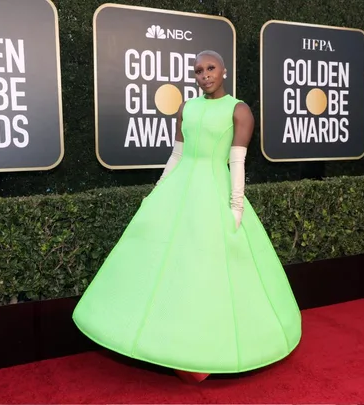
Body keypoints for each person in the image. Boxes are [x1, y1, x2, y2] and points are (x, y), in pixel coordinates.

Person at [72, 50, 301, 384]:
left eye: (210, 68)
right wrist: (158, 190)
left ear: (223, 71)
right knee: (166, 264)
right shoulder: (187, 107)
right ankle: (163, 340)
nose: (204, 74)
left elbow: (237, 160)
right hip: (179, 189)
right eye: (198, 70)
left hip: (213, 188)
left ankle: (203, 350)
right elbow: (177, 154)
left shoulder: (239, 110)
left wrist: (236, 203)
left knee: (207, 267)